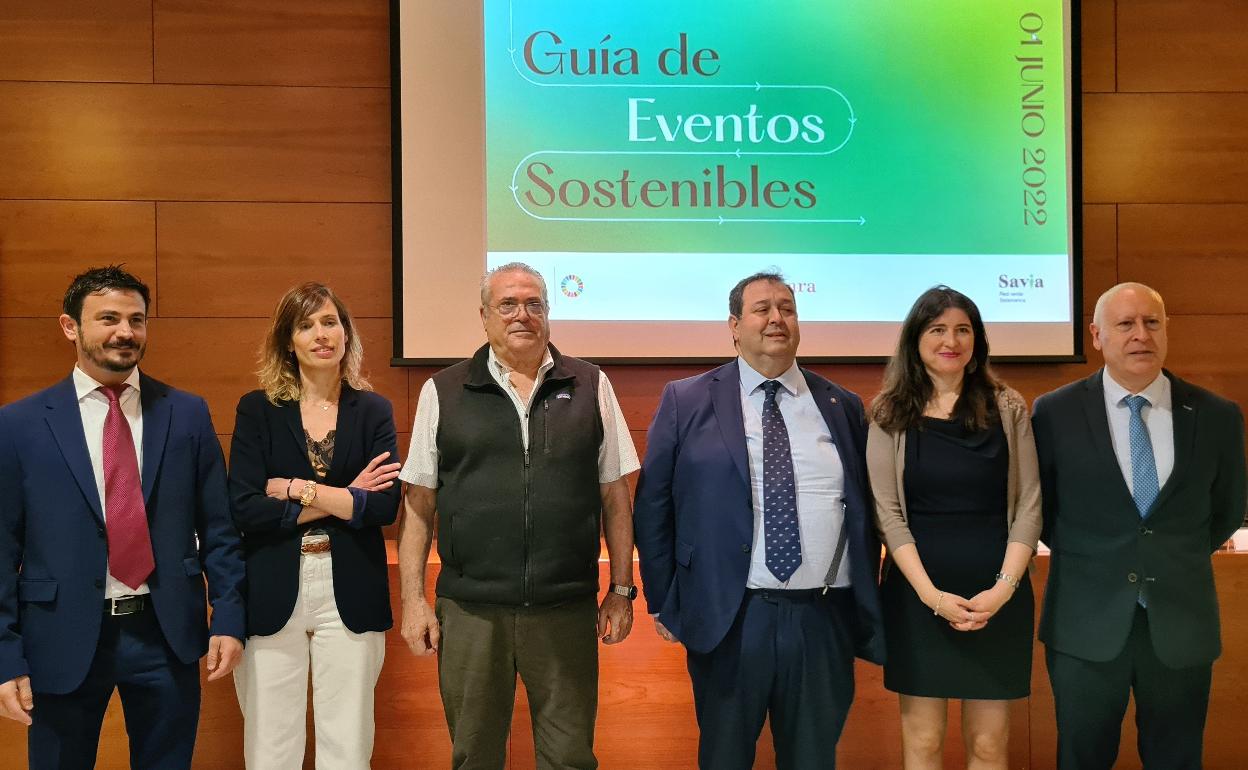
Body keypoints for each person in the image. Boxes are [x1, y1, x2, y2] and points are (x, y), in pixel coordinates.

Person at [633, 271, 885, 770]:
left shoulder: (841, 405)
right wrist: (662, 600)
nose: (777, 319)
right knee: (725, 757)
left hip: (823, 617)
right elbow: (654, 505)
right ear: (734, 325)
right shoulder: (686, 399)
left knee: (813, 759)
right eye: (762, 309)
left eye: (787, 309)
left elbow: (865, 508)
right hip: (731, 617)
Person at [0, 265, 246, 769]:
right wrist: (4, 655)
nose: (126, 332)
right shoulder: (19, 425)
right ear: (70, 326)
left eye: (137, 319)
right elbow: (1, 548)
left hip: (165, 634)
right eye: (108, 318)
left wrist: (229, 615)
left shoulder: (187, 414)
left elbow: (219, 528)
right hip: (59, 635)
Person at [397, 262, 639, 769]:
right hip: (471, 612)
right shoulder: (443, 390)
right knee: (474, 757)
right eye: (507, 304)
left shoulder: (591, 384)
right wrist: (414, 601)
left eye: (534, 304)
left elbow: (615, 494)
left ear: (548, 313)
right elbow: (418, 503)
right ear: (484, 316)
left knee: (570, 758)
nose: (521, 315)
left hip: (565, 608)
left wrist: (621, 590)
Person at [1033, 282, 1245, 769]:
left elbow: (1228, 509)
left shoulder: (1216, 415)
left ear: (1166, 329)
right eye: (1125, 324)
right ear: (1096, 336)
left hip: (1181, 625)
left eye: (1151, 322)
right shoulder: (1054, 413)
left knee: (1177, 759)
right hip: (1085, 625)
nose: (1140, 335)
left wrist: (1167, 555)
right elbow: (1041, 511)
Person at [865, 286, 1041, 769]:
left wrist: (1003, 590)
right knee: (923, 743)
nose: (951, 340)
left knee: (989, 744)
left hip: (997, 597)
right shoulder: (888, 413)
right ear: (915, 339)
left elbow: (1029, 505)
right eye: (937, 329)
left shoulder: (1008, 406)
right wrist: (931, 596)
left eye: (963, 330)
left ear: (977, 340)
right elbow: (887, 515)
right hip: (917, 597)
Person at [227, 282, 401, 769]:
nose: (321, 335)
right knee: (271, 745)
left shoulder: (373, 411)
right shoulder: (257, 409)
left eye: (330, 322)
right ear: (288, 341)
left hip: (351, 586)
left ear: (346, 333)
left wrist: (294, 488)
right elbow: (245, 508)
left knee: (347, 745)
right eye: (306, 325)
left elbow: (383, 508)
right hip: (271, 585)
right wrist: (345, 497)